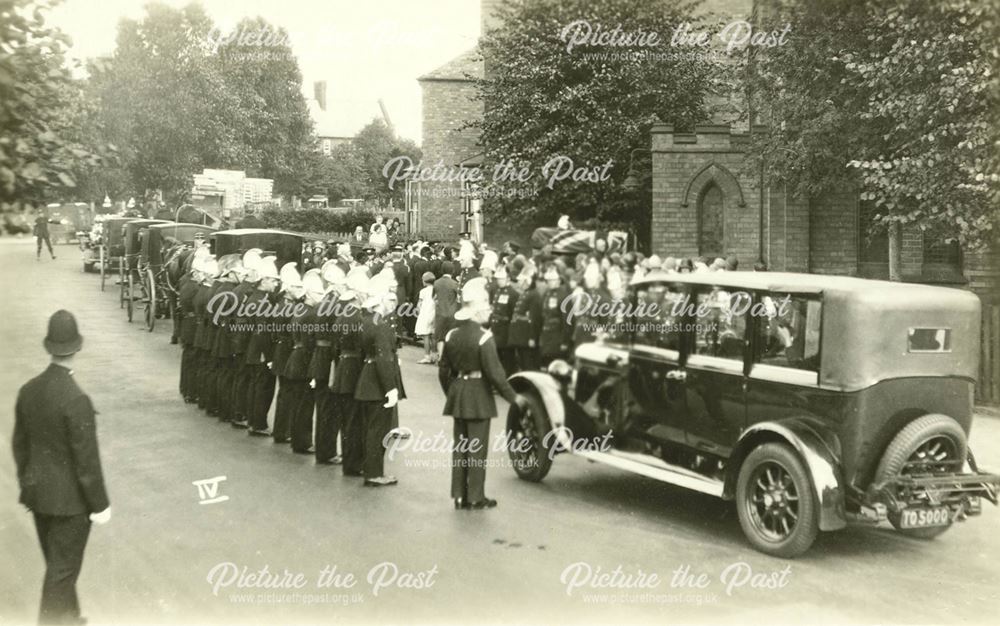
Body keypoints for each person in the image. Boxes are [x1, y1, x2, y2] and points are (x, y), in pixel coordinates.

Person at [13, 310, 110, 624]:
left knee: (58, 567)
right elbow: (87, 461)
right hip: (71, 506)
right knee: (61, 574)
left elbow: (19, 445)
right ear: (77, 348)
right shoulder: (76, 398)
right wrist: (100, 505)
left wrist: (30, 482)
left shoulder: (28, 390)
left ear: (49, 347)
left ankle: (71, 617)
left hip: (39, 497)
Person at [438, 279, 526, 510]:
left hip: (458, 394)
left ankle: (459, 495)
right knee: (477, 449)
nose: (489, 309)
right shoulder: (484, 337)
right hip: (478, 396)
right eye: (486, 305)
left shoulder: (451, 335)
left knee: (461, 448)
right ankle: (475, 496)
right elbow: (496, 374)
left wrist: (453, 392)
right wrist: (514, 399)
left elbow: (443, 370)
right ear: (476, 309)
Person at [355, 272, 405, 486]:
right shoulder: (381, 326)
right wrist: (391, 388)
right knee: (378, 430)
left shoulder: (366, 320)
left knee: (369, 428)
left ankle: (369, 468)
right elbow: (384, 359)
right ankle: (374, 473)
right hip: (377, 383)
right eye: (390, 299)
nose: (392, 303)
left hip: (366, 378)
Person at [332, 269, 368, 477]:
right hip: (354, 368)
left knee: (346, 418)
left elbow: (335, 347)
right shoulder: (358, 319)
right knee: (355, 419)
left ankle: (348, 459)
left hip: (342, 368)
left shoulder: (341, 317)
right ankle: (354, 463)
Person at [489, 267, 520, 374]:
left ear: (507, 278)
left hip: (506, 331)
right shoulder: (497, 291)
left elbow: (514, 315)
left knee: (507, 360)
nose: (499, 281)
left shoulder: (513, 294)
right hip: (496, 329)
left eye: (501, 279)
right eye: (498, 279)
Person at [415, 271, 437, 364]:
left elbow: (419, 304)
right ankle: (435, 355)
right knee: (433, 335)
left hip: (425, 313)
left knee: (426, 336)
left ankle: (427, 356)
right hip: (434, 313)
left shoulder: (423, 291)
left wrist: (419, 311)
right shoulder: (436, 290)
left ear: (425, 281)